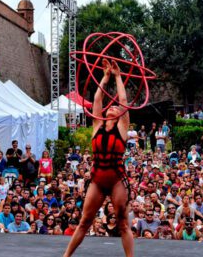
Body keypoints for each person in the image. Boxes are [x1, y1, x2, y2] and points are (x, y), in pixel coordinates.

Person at [64, 59, 133, 257]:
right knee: (85, 221)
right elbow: (96, 100)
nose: (112, 107)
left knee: (123, 223)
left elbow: (124, 101)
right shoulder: (97, 127)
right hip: (97, 179)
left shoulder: (122, 128)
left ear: (120, 115)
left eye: (115, 108)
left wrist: (118, 77)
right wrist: (104, 77)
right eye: (109, 107)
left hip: (116, 180)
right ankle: (66, 255)